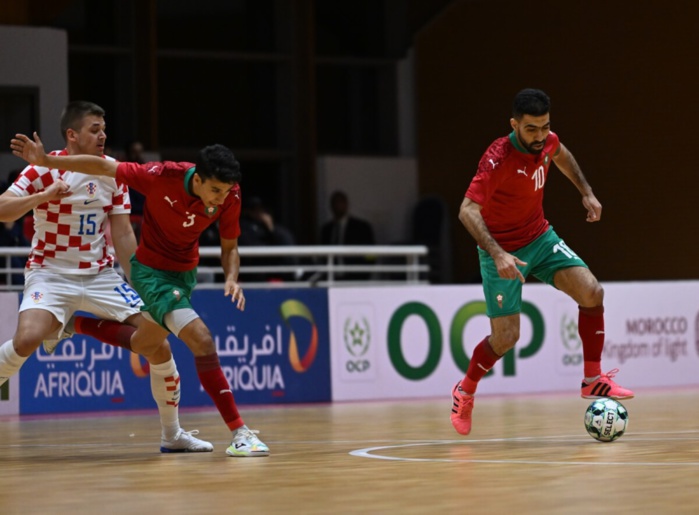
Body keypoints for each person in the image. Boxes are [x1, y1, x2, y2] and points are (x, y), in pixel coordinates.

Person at [11, 130, 270, 457]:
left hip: (184, 274)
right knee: (201, 339)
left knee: (146, 342)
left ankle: (73, 325)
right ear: (199, 179)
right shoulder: (162, 176)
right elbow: (104, 167)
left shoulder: (230, 195)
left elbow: (230, 247)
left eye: (225, 191)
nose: (220, 198)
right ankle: (240, 434)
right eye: (215, 190)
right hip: (150, 273)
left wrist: (232, 277)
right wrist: (47, 160)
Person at [0, 101, 212, 453]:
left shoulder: (112, 174)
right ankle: (63, 322)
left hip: (101, 276)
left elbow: (124, 236)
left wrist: (142, 284)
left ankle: (172, 435)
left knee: (156, 341)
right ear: (72, 134)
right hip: (50, 274)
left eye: (104, 128)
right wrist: (44, 195)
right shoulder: (42, 169)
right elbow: (3, 208)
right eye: (94, 129)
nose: (103, 135)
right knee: (27, 340)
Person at [449, 88, 634, 436]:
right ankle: (465, 390)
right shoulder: (498, 158)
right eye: (531, 129)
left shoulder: (548, 141)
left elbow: (561, 154)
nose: (539, 136)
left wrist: (586, 191)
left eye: (545, 127)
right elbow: (466, 210)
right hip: (501, 251)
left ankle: (592, 380)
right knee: (505, 338)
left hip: (540, 237)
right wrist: (497, 253)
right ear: (514, 124)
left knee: (592, 292)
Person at [238, 195, 297, 282]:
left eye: (261, 209)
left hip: (272, 269)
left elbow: (284, 244)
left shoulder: (272, 228)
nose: (259, 212)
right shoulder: (241, 226)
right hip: (251, 271)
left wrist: (271, 228)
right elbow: (248, 246)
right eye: (254, 209)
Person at [320, 190, 376, 280]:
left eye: (340, 202)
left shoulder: (361, 227)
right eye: (335, 202)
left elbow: (371, 254)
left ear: (346, 204)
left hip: (355, 277)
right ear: (331, 206)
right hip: (332, 278)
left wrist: (366, 272)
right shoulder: (326, 230)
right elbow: (322, 256)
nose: (337, 205)